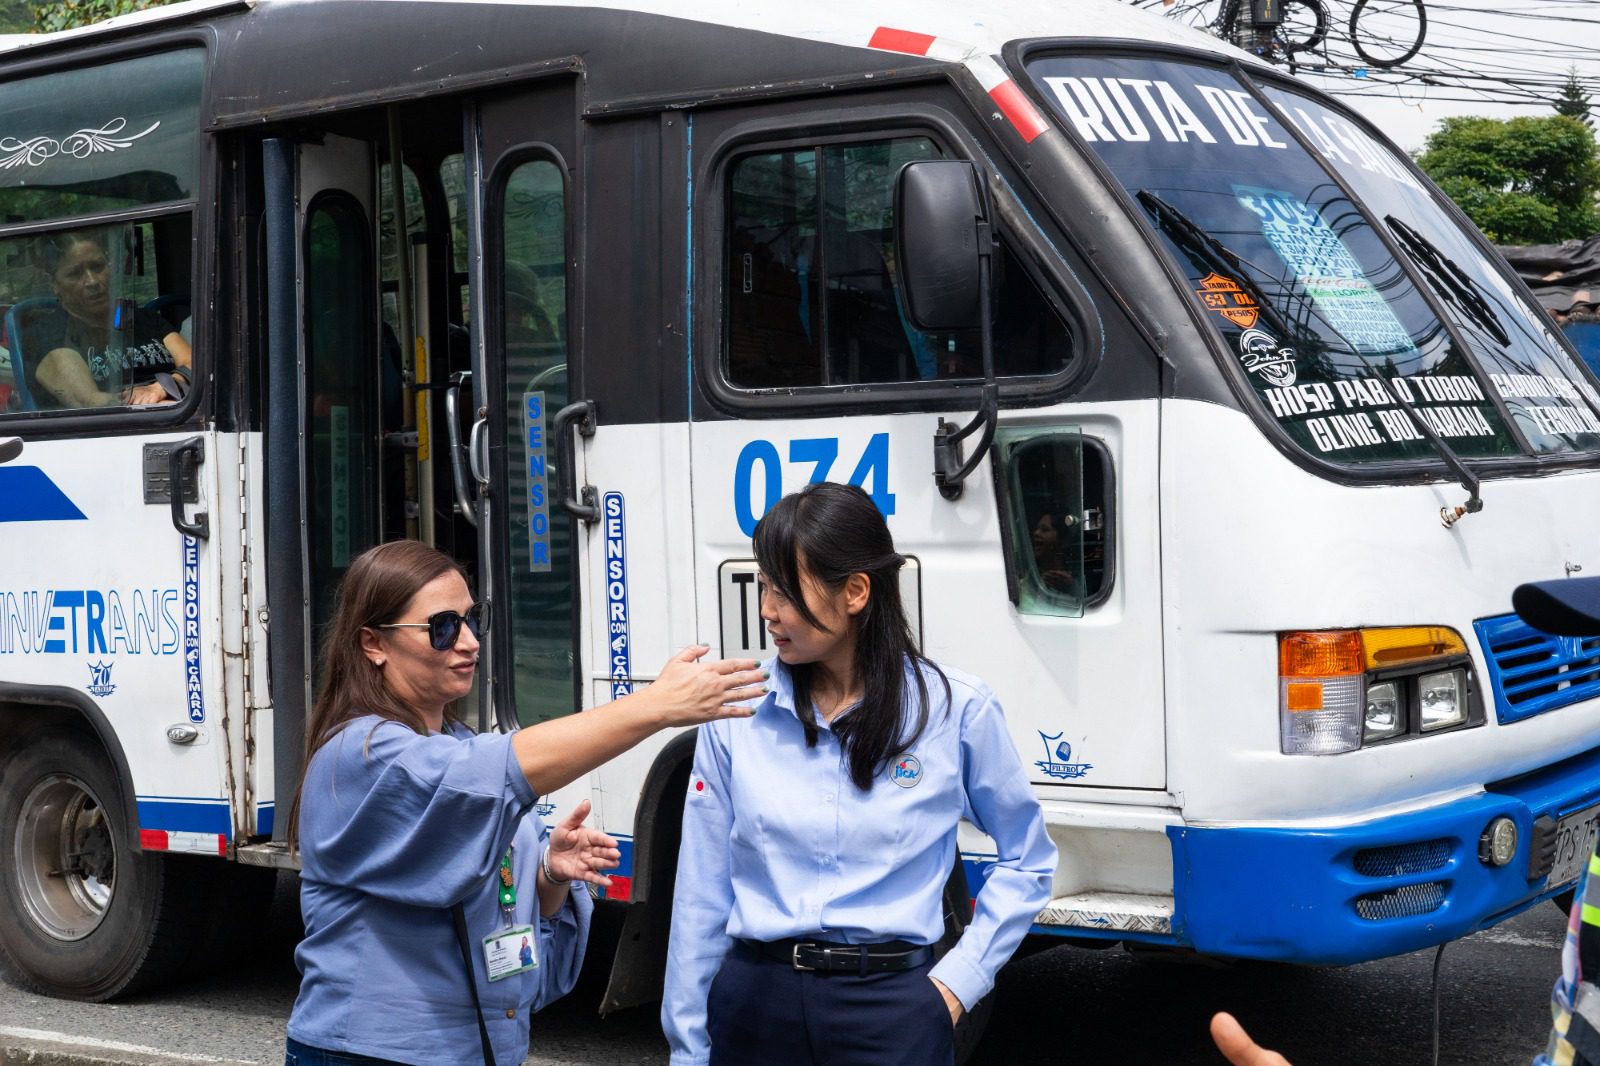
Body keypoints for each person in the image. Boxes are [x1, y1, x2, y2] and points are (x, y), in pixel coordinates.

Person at [285, 540, 765, 1066]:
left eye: (474, 620)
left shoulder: (454, 741)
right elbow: (494, 771)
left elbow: (506, 929)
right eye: (442, 627)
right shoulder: (360, 751)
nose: (468, 642)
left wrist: (550, 878)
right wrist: (653, 707)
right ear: (373, 643)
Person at [662, 482, 1057, 1066]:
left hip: (893, 1013)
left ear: (855, 591)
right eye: (764, 586)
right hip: (755, 1006)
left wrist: (954, 987)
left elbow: (1029, 859)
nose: (768, 610)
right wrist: (687, 1048)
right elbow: (701, 892)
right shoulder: (735, 714)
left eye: (786, 590)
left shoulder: (955, 711)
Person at [24, 229, 192, 410]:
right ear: (55, 285)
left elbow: (194, 364)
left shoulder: (141, 317)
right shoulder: (49, 333)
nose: (92, 281)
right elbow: (91, 403)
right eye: (75, 274)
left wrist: (161, 388)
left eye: (97, 267)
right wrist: (174, 404)